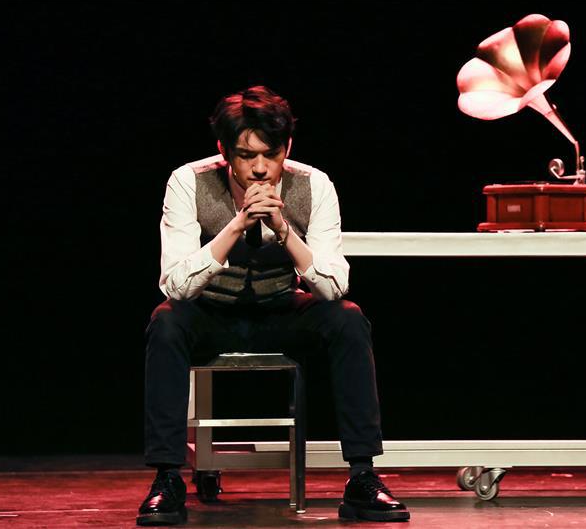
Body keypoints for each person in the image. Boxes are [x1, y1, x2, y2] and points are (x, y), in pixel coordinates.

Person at [137, 85, 410, 525]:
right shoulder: (188, 180)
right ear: (224, 151)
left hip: (280, 310)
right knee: (166, 321)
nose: (261, 168)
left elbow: (334, 286)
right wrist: (237, 224)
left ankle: (362, 475)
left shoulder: (313, 184)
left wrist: (283, 228)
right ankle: (167, 479)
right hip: (212, 313)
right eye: (246, 156)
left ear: (288, 148)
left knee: (348, 319)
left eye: (272, 154)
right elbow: (176, 285)